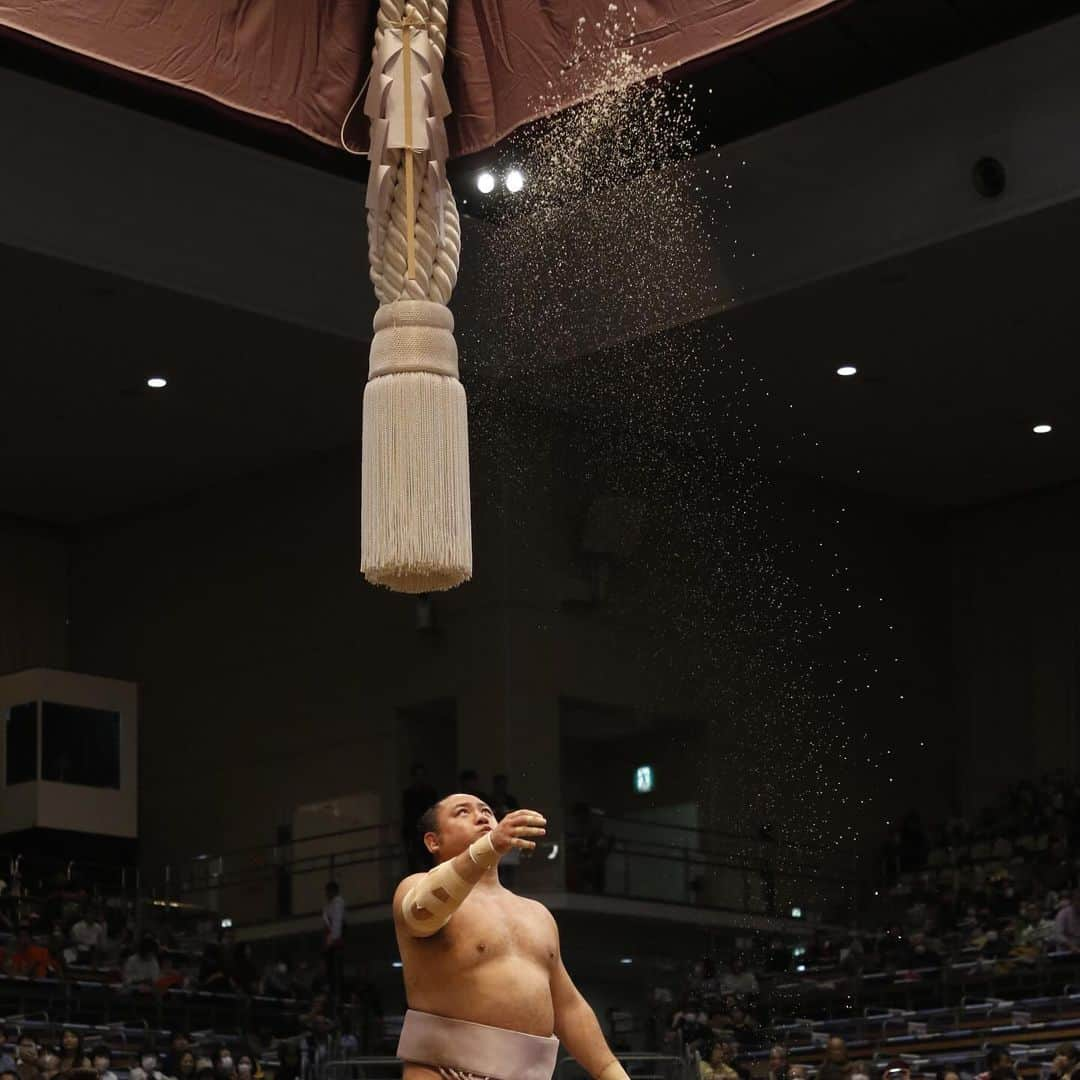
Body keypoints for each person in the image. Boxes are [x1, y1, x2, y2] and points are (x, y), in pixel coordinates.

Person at [393, 793, 629, 1080]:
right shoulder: (415, 888)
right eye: (462, 812)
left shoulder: (537, 914)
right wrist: (488, 847)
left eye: (486, 811)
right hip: (442, 1071)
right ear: (433, 841)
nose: (481, 816)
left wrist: (610, 1072)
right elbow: (421, 914)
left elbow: (567, 1006)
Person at [403, 765, 439, 874]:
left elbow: (434, 811)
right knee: (415, 865)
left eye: (421, 775)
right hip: (414, 834)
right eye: (417, 775)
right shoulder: (408, 794)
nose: (419, 778)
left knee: (430, 863)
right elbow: (407, 815)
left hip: (428, 830)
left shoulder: (430, 792)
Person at [322, 881, 346, 1005]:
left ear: (332, 891)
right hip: (331, 941)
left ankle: (337, 997)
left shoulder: (338, 903)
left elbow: (336, 925)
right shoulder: (329, 905)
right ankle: (332, 994)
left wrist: (331, 941)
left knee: (335, 974)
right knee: (330, 973)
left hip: (335, 943)